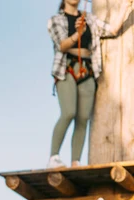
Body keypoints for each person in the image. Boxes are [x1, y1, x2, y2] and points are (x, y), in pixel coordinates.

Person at [47, 0, 132, 169]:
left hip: (87, 69)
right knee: (69, 112)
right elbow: (62, 45)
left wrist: (127, 8)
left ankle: (75, 161)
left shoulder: (89, 19)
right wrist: (77, 35)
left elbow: (112, 30)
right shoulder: (56, 20)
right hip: (66, 69)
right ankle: (54, 157)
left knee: (83, 118)